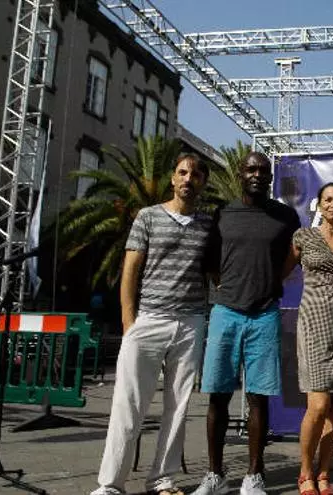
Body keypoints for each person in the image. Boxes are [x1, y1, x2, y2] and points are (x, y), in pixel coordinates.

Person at [92, 153, 213, 495]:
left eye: (195, 175)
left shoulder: (208, 225)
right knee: (128, 403)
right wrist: (129, 322)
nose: (188, 179)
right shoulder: (148, 216)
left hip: (190, 322)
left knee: (179, 407)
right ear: (173, 178)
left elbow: (214, 271)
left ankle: (162, 480)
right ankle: (110, 484)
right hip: (149, 319)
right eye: (182, 172)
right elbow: (130, 269)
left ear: (203, 182)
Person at [192, 152, 301, 495]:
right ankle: (215, 475)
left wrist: (272, 281)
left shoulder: (286, 216)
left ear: (270, 176)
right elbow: (210, 261)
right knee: (218, 396)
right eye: (251, 169)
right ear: (240, 174)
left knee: (258, 398)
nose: (257, 174)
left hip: (265, 314)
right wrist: (223, 287)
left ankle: (254, 475)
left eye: (263, 170)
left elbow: (294, 256)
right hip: (225, 312)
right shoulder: (223, 213)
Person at [288, 183, 333, 495]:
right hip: (313, 327)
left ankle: (325, 473)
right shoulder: (303, 237)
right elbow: (280, 272)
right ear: (319, 204)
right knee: (318, 405)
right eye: (328, 199)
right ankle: (306, 472)